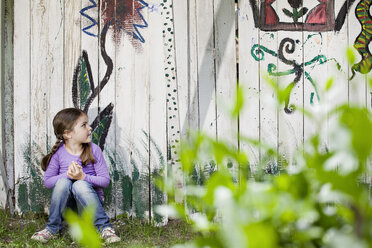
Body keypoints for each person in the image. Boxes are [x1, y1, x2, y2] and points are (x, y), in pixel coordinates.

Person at [31, 108, 120, 244]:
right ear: (68, 134)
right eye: (84, 125)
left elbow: (105, 181)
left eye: (87, 124)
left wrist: (83, 177)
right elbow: (48, 182)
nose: (90, 128)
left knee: (80, 185)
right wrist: (67, 175)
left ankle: (104, 228)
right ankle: (52, 229)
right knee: (62, 183)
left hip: (89, 205)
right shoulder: (59, 153)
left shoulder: (94, 150)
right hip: (68, 209)